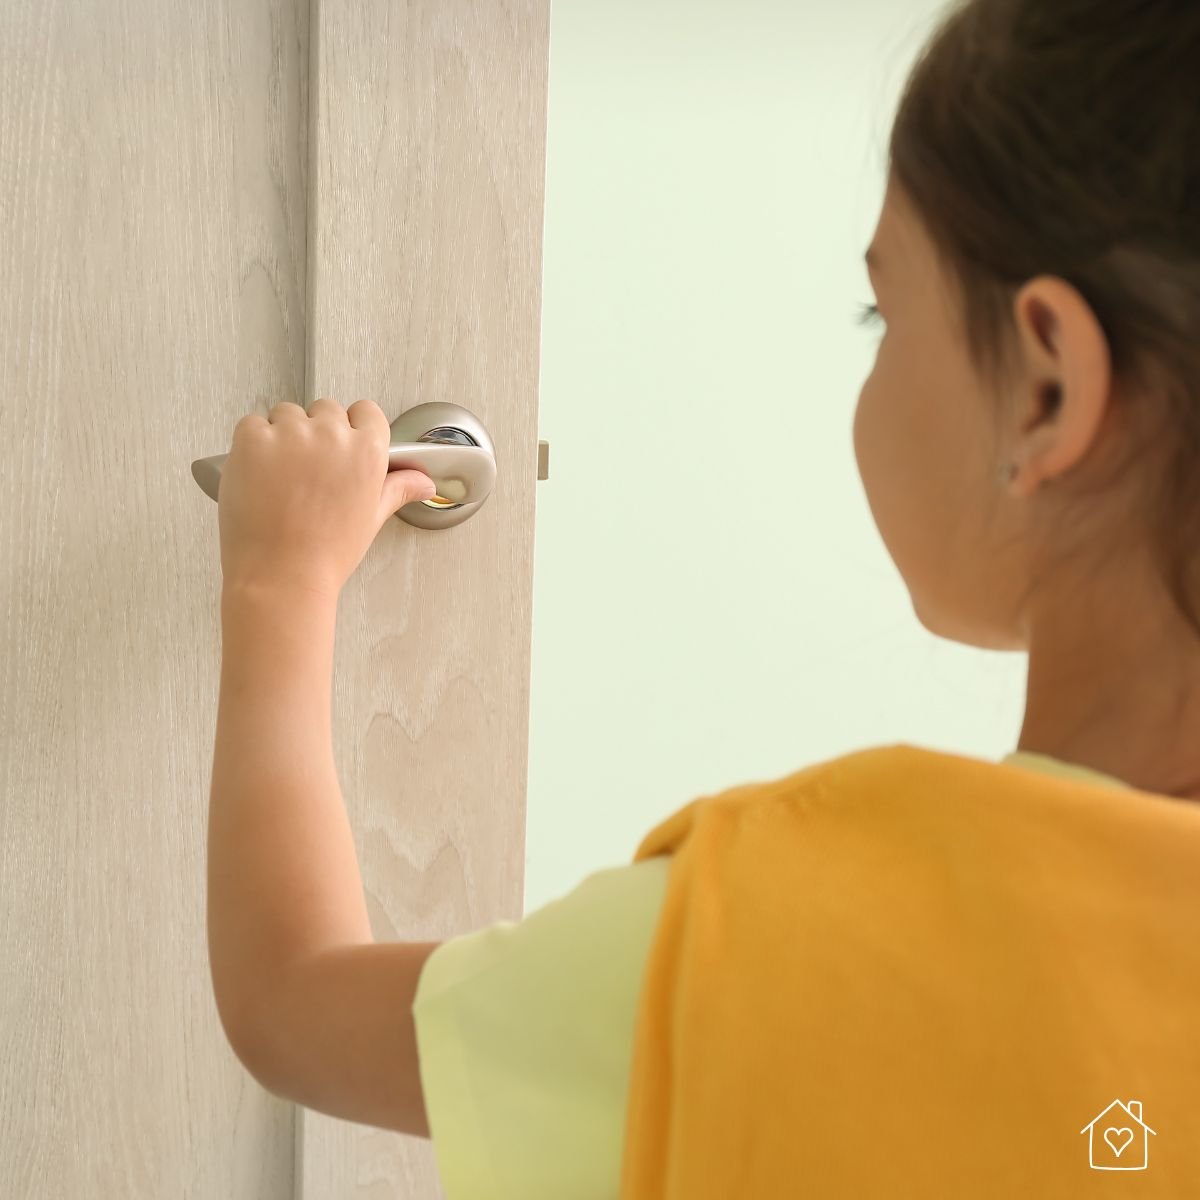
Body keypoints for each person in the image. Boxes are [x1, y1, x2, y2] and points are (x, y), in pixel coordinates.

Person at [412, 1, 1200, 1194]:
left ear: (1045, 389)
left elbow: (289, 995)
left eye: (883, 310)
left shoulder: (755, 941)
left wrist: (280, 583)